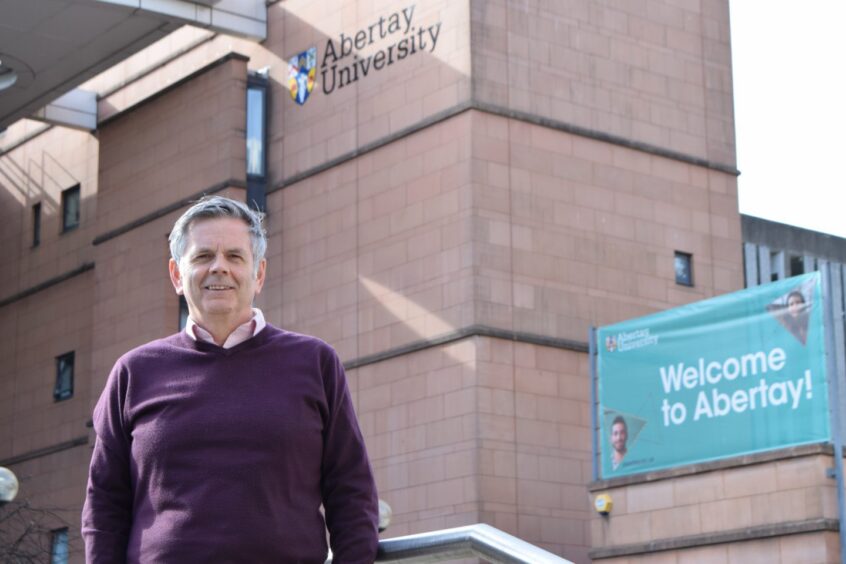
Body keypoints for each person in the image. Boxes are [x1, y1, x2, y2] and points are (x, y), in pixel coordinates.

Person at [81, 196, 378, 563]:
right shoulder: (134, 372)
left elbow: (351, 492)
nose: (219, 268)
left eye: (235, 257)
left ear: (259, 274)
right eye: (203, 256)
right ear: (177, 274)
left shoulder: (315, 363)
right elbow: (104, 505)